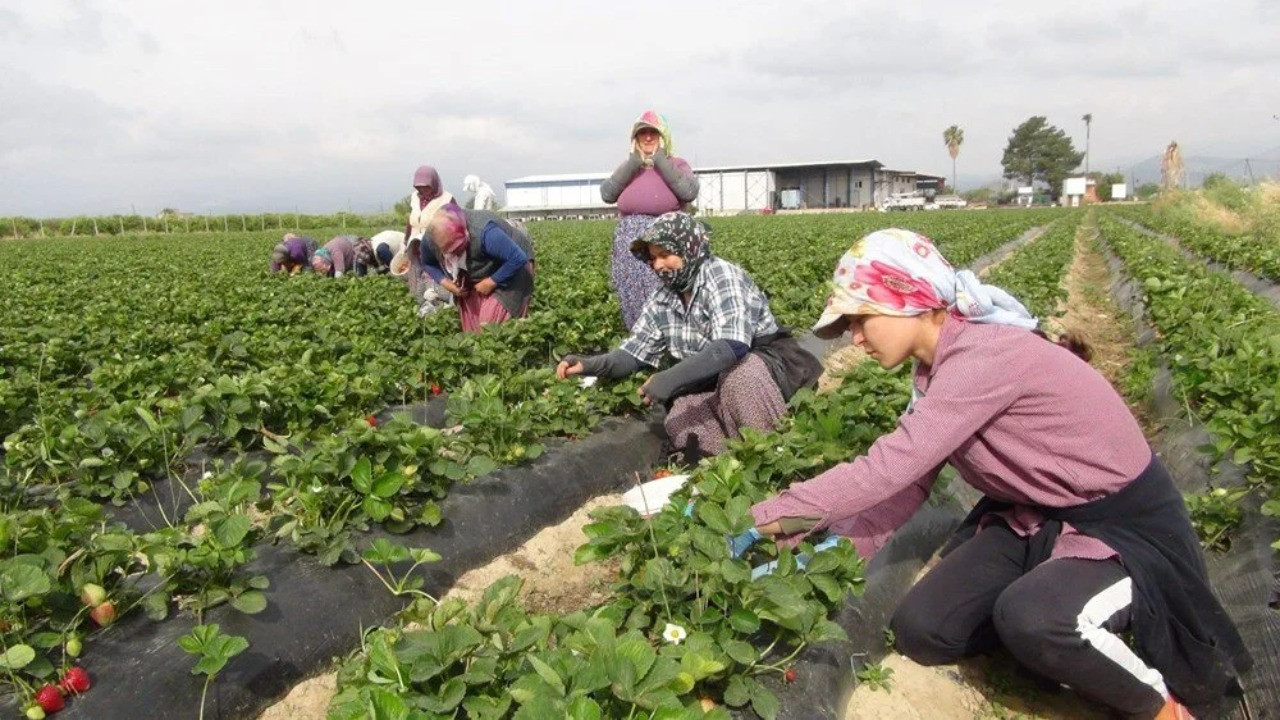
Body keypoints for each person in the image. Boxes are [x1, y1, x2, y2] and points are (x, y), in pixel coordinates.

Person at [741, 229, 1249, 719]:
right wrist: (826, 552)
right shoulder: (934, 370)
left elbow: (886, 467)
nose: (854, 337)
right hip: (1035, 514)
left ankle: (1158, 706)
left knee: (1037, 619)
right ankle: (1039, 621)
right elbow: (908, 484)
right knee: (923, 630)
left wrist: (756, 518)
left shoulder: (983, 357)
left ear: (907, 302)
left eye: (860, 319)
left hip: (1121, 528)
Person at [556, 212, 821, 460]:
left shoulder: (720, 275)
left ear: (689, 248)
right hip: (709, 378)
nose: (658, 265)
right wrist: (590, 365)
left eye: (665, 254)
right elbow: (633, 353)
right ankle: (726, 470)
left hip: (762, 367)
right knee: (679, 417)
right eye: (652, 258)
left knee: (740, 378)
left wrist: (669, 378)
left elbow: (733, 346)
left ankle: (771, 457)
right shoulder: (663, 297)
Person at [599, 110, 699, 330]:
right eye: (641, 133)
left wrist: (660, 160)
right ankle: (639, 342)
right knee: (632, 294)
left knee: (664, 292)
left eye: (653, 133)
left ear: (664, 137)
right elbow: (607, 194)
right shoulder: (629, 168)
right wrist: (634, 163)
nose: (647, 137)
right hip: (630, 245)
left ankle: (671, 340)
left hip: (664, 244)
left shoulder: (677, 164)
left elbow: (688, 191)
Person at [419, 203, 534, 332]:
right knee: (472, 331)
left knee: (490, 327)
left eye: (457, 248)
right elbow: (428, 263)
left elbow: (517, 258)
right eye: (448, 251)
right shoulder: (431, 239)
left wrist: (492, 281)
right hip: (477, 271)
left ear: (465, 233)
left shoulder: (484, 232)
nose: (454, 253)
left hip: (512, 265)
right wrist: (448, 285)